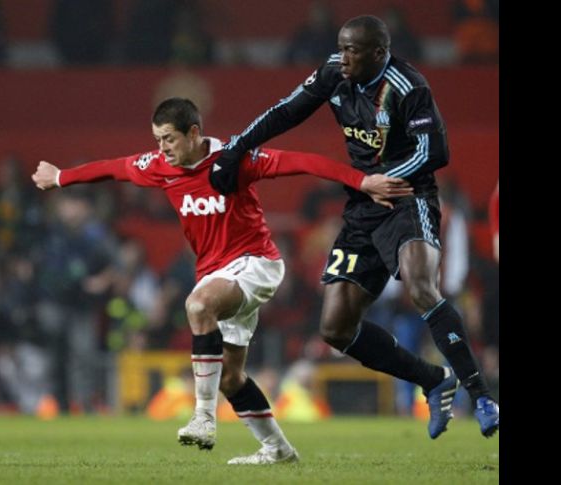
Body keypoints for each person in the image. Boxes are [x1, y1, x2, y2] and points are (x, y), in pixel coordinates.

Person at [32, 97, 411, 464]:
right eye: (157, 139)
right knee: (231, 378)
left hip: (256, 263)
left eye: (169, 139)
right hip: (216, 273)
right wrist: (61, 178)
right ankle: (278, 450)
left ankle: (203, 416)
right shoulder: (160, 166)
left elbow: (302, 162)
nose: (162, 148)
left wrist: (361, 181)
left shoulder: (233, 157)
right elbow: (113, 169)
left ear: (193, 133)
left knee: (198, 305)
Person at [208, 15, 499, 439]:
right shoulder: (333, 72)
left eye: (352, 51)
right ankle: (434, 380)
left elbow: (434, 151)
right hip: (364, 204)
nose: (343, 58)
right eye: (341, 48)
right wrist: (236, 148)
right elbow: (286, 112)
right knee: (335, 328)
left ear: (379, 53)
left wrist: (384, 179)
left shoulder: (408, 86)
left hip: (407, 197)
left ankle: (482, 396)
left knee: (422, 287)